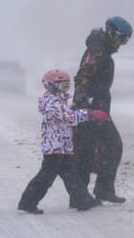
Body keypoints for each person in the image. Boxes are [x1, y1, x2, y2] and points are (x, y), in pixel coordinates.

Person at [18, 69, 109, 214]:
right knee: (46, 176)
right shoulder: (51, 102)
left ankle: (83, 200)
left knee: (71, 174)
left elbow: (68, 112)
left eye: (67, 85)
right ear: (51, 86)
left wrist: (81, 104)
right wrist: (90, 114)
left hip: (63, 146)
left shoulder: (58, 101)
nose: (65, 89)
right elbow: (68, 117)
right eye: (62, 86)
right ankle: (28, 202)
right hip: (54, 147)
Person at [72, 16, 133, 205]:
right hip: (90, 107)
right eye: (122, 39)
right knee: (88, 150)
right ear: (112, 34)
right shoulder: (97, 50)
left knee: (106, 147)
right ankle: (80, 196)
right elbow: (84, 74)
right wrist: (82, 98)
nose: (122, 44)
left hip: (99, 107)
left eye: (125, 41)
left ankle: (102, 190)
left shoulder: (102, 49)